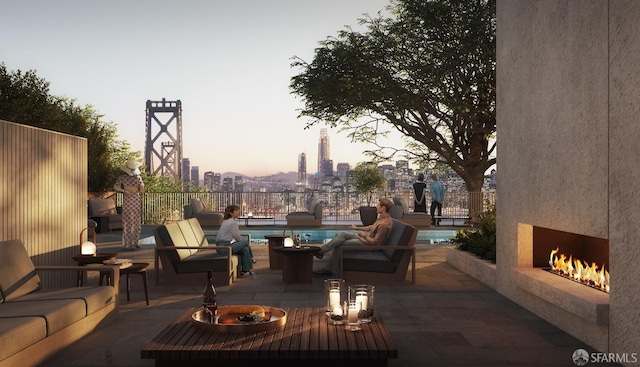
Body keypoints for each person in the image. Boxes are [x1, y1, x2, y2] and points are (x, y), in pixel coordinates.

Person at [313, 198, 394, 276]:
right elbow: (370, 227)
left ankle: (327, 268)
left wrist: (364, 236)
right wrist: (356, 228)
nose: (376, 207)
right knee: (343, 234)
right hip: (365, 239)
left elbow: (375, 243)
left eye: (378, 205)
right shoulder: (381, 219)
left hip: (369, 245)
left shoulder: (384, 224)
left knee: (340, 244)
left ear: (383, 208)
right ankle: (321, 251)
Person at [216, 205, 256, 277]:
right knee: (244, 242)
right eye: (236, 211)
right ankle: (251, 258)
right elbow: (238, 238)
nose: (238, 212)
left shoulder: (226, 221)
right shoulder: (232, 223)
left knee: (245, 249)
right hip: (224, 248)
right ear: (231, 213)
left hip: (221, 247)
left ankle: (245, 271)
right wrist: (240, 243)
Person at [113, 160, 145, 250]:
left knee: (127, 222)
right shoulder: (138, 178)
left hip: (127, 200)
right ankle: (135, 241)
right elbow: (142, 189)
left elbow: (115, 186)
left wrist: (125, 190)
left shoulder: (122, 178)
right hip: (136, 200)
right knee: (136, 221)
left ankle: (128, 243)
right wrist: (136, 190)